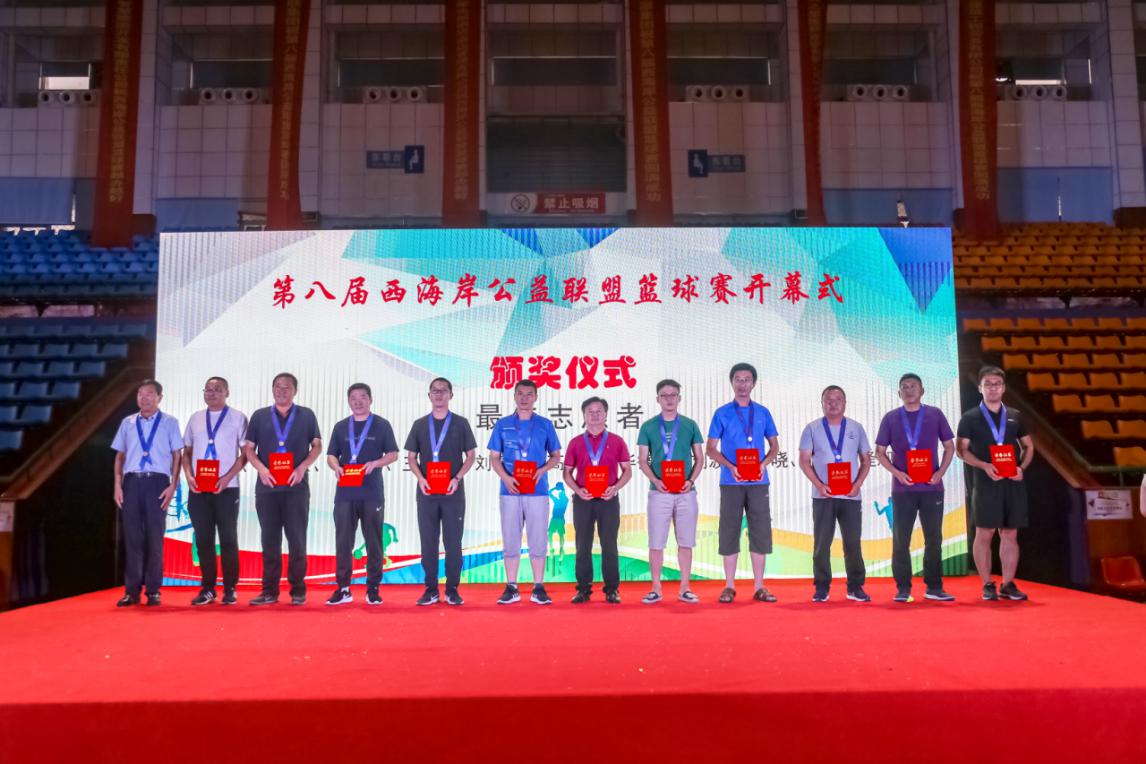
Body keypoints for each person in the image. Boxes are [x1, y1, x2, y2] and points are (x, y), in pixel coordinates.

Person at [874, 373, 956, 603]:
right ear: (899, 392)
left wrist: (940, 473)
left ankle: (934, 587)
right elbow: (879, 452)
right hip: (903, 490)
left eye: (913, 386)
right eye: (904, 387)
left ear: (922, 390)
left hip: (932, 488)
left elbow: (949, 447)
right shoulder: (891, 418)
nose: (909, 390)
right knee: (901, 540)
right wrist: (897, 473)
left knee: (934, 539)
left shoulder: (935, 414)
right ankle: (903, 588)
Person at [242, 372, 322, 606]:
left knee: (297, 539)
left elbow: (317, 445)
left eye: (287, 387)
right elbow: (249, 449)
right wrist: (261, 469)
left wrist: (302, 467)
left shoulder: (306, 415)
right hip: (267, 488)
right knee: (269, 540)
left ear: (295, 390)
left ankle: (298, 590)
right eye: (277, 386)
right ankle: (269, 591)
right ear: (272, 389)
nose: (282, 390)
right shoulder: (259, 416)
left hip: (296, 487)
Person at [956, 366, 1035, 602]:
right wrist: (984, 466)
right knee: (985, 532)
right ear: (980, 388)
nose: (993, 388)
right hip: (985, 482)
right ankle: (987, 584)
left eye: (997, 384)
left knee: (1010, 533)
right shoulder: (970, 417)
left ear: (1004, 388)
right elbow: (961, 450)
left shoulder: (1015, 415)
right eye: (988, 384)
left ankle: (1008, 583)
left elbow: (1028, 446)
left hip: (1012, 481)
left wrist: (1021, 468)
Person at [706, 362, 780, 604]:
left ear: (754, 384)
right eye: (738, 379)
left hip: (758, 481)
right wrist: (731, 467)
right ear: (732, 382)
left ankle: (759, 586)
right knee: (729, 530)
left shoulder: (763, 413)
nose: (742, 384)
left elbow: (775, 446)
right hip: (731, 482)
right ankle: (729, 586)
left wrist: (763, 464)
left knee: (760, 531)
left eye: (747, 380)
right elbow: (710, 449)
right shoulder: (722, 413)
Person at [405, 377, 477, 606]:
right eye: (434, 391)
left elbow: (471, 456)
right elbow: (411, 457)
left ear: (450, 395)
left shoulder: (461, 423)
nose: (438, 394)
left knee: (453, 541)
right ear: (429, 395)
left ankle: (452, 589)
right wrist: (420, 479)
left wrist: (457, 478)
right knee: (428, 541)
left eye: (443, 391)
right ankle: (431, 589)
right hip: (426, 492)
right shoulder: (419, 425)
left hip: (452, 492)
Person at [488, 379, 562, 605]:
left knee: (538, 538)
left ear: (536, 397)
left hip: (538, 490)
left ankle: (538, 587)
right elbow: (494, 458)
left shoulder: (545, 425)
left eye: (529, 394)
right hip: (509, 490)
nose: (524, 398)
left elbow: (556, 456)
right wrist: (506, 478)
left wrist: (542, 470)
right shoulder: (502, 425)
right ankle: (511, 587)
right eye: (520, 393)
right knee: (510, 538)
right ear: (514, 396)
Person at [111, 379, 183, 607]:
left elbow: (177, 456)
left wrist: (173, 486)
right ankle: (131, 591)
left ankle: (153, 590)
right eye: (140, 393)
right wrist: (117, 485)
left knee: (154, 537)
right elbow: (120, 456)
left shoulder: (170, 422)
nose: (145, 398)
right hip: (132, 483)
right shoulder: (127, 423)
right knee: (132, 538)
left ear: (160, 397)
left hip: (157, 483)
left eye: (150, 393)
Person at [326, 383, 398, 606]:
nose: (358, 402)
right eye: (354, 398)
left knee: (374, 541)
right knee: (343, 541)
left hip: (371, 492)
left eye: (363, 397)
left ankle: (373, 588)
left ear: (370, 399)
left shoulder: (381, 425)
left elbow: (393, 454)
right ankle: (343, 588)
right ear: (349, 401)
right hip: (345, 493)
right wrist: (336, 467)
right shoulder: (340, 427)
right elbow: (331, 455)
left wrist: (375, 463)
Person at [798, 386, 873, 603]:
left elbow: (866, 460)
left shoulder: (856, 428)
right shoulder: (812, 428)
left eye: (838, 399)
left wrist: (857, 484)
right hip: (823, 496)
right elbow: (804, 461)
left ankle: (855, 587)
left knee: (853, 543)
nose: (833, 403)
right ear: (822, 403)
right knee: (822, 544)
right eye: (828, 400)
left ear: (845, 403)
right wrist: (819, 485)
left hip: (850, 496)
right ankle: (821, 587)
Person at [636, 379, 705, 604]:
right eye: (664, 395)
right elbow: (643, 460)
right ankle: (656, 588)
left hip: (686, 492)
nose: (669, 399)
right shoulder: (648, 426)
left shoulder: (690, 425)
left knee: (686, 542)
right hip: (659, 493)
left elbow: (700, 458)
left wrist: (690, 480)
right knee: (656, 542)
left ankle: (685, 588)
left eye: (673, 395)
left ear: (679, 398)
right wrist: (655, 481)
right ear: (657, 399)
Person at [181, 376, 248, 606]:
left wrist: (227, 478)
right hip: (199, 489)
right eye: (208, 389)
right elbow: (186, 453)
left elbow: (246, 454)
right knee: (203, 540)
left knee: (228, 538)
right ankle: (208, 589)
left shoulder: (238, 418)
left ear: (227, 392)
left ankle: (230, 589)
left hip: (227, 489)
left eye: (218, 389)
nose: (212, 393)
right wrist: (189, 476)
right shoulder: (196, 418)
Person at [562, 397, 632, 604]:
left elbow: (627, 471)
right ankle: (583, 589)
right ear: (584, 415)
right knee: (582, 545)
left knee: (609, 544)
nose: (594, 415)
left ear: (606, 414)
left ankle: (612, 589)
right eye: (590, 411)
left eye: (598, 411)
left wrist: (615, 488)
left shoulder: (617, 441)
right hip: (583, 500)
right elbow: (567, 473)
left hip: (608, 499)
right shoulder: (576, 443)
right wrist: (578, 490)